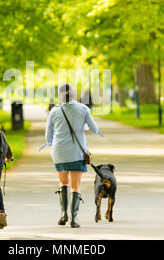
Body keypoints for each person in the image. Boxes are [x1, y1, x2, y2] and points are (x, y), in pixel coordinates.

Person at [45, 83, 103, 228]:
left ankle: (64, 214)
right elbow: (94, 128)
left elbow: (48, 136)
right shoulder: (83, 109)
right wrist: (80, 127)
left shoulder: (54, 111)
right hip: (77, 152)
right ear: (74, 94)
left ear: (60, 95)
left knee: (63, 183)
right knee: (75, 186)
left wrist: (54, 143)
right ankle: (74, 220)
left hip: (59, 152)